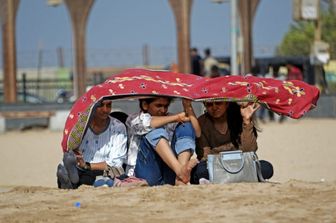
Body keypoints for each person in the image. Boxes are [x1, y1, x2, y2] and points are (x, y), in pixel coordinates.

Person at [56, 99, 146, 189]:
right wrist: (77, 158)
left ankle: (71, 182)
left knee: (116, 172)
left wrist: (87, 165)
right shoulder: (81, 126)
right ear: (92, 107)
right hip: (82, 168)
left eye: (109, 105)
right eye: (101, 105)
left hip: (105, 170)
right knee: (71, 166)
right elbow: (70, 147)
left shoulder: (118, 127)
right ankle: (72, 178)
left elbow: (116, 163)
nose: (105, 110)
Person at [191, 101, 274, 184]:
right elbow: (205, 156)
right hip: (217, 166)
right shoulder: (202, 121)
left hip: (240, 164)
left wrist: (246, 120)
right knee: (200, 171)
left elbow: (250, 150)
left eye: (218, 103)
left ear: (226, 103)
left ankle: (222, 178)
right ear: (204, 105)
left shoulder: (239, 116)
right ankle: (241, 177)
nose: (214, 107)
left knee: (267, 168)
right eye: (209, 104)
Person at [126, 97, 200, 186]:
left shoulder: (171, 117)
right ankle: (180, 172)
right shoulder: (134, 119)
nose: (163, 110)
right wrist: (177, 117)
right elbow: (149, 123)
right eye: (158, 106)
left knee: (186, 126)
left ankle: (180, 176)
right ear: (145, 105)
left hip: (168, 172)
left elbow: (197, 133)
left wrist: (188, 107)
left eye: (166, 106)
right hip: (146, 173)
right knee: (154, 130)